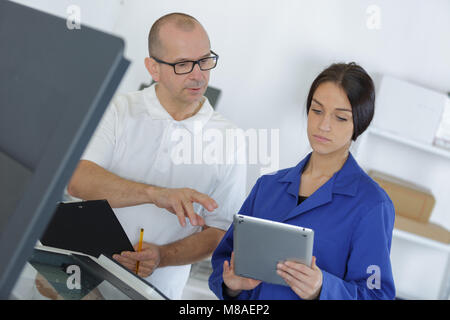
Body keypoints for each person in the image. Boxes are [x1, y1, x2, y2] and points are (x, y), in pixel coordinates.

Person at [67, 13, 246, 299]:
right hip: (83, 283)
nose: (198, 74)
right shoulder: (117, 109)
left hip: (156, 292)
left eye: (204, 60)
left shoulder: (231, 139)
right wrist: (155, 194)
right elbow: (77, 180)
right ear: (153, 68)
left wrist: (163, 256)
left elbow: (219, 231)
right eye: (183, 64)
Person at [208, 62, 396, 300]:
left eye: (340, 117)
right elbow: (224, 261)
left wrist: (323, 288)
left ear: (358, 124)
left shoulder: (372, 206)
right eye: (317, 111)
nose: (323, 125)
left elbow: (377, 295)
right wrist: (232, 286)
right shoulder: (268, 187)